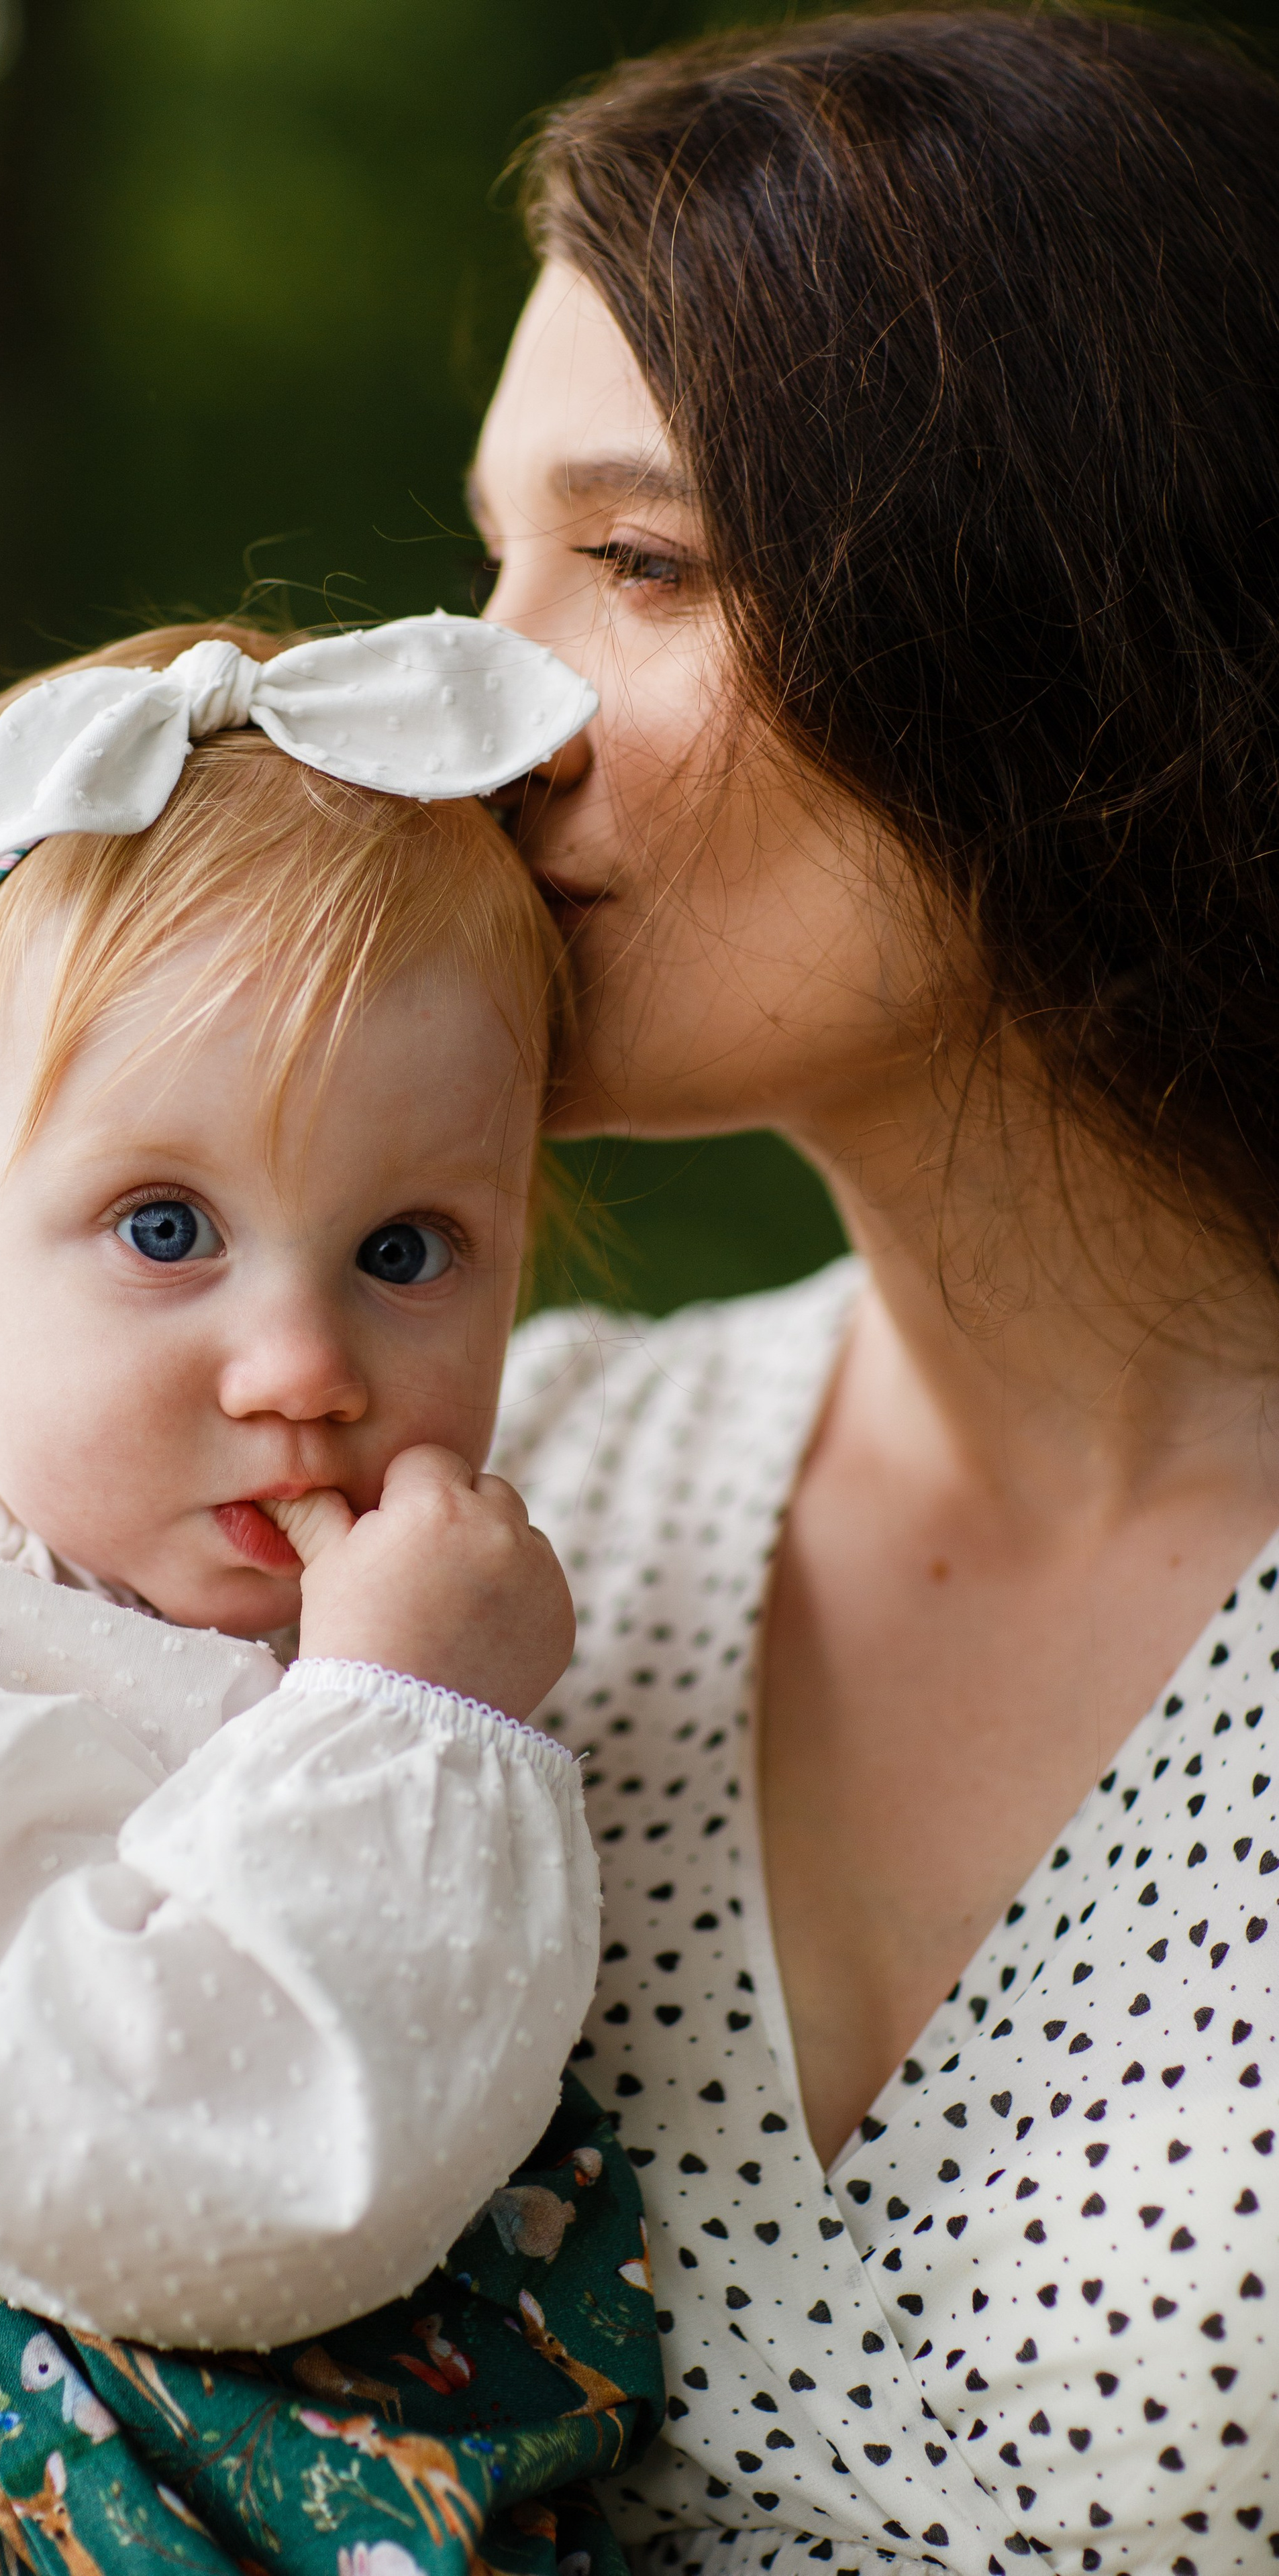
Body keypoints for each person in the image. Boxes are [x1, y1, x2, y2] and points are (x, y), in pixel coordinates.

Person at [0, 615, 666, 2576]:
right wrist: (410, 1725)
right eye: (167, 1230)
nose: (304, 1359)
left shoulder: (369, 1649)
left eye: (408, 1246)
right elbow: (223, 2156)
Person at [470, 11, 1279, 2572]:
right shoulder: (498, 1515)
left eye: (639, 560)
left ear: (1060, 600)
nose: (464, 704)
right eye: (487, 554)